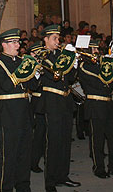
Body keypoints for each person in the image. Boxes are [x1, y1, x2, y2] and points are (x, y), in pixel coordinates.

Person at [0, 28, 41, 192]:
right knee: (9, 155)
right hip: (8, 113)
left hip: (24, 112)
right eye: (14, 42)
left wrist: (35, 71)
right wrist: (24, 68)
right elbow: (5, 86)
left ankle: (23, 186)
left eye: (18, 42)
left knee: (24, 154)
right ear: (4, 44)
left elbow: (32, 86)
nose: (18, 45)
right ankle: (5, 187)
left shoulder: (20, 61)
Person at [78, 39, 113, 177]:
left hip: (107, 103)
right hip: (95, 104)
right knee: (97, 138)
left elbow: (112, 82)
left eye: (97, 50)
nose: (96, 53)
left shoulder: (101, 64)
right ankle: (98, 167)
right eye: (93, 50)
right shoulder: (83, 65)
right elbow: (101, 80)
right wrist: (108, 65)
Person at [40, 25, 80, 192]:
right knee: (54, 141)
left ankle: (63, 176)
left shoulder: (60, 54)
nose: (58, 41)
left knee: (65, 141)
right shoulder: (43, 55)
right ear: (46, 40)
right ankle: (50, 181)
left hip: (65, 100)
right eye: (54, 38)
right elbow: (55, 71)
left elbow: (69, 78)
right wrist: (67, 57)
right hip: (52, 101)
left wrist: (75, 62)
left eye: (58, 38)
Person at [28, 42, 46, 173]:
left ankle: (48, 158)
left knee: (47, 133)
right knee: (39, 134)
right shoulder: (29, 67)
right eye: (35, 53)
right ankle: (33, 162)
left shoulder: (46, 64)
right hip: (37, 101)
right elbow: (33, 85)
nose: (38, 56)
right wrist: (37, 72)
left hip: (48, 101)